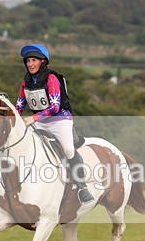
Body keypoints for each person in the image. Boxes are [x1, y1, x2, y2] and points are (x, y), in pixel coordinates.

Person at [15, 43, 94, 203]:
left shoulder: (51, 78)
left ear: (43, 62)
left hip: (59, 119)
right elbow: (20, 104)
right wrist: (11, 118)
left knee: (67, 149)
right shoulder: (26, 82)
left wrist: (32, 119)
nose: (30, 64)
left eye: (34, 60)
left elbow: (55, 106)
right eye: (28, 61)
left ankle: (82, 187)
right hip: (39, 121)